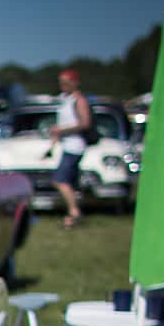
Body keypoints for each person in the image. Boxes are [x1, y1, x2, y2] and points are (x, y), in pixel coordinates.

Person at [48, 69, 94, 229]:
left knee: (59, 180)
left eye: (66, 82)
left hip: (75, 146)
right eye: (61, 82)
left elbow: (85, 123)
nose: (63, 86)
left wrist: (61, 130)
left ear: (75, 82)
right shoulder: (64, 99)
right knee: (69, 182)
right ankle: (73, 211)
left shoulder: (79, 100)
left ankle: (74, 212)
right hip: (66, 144)